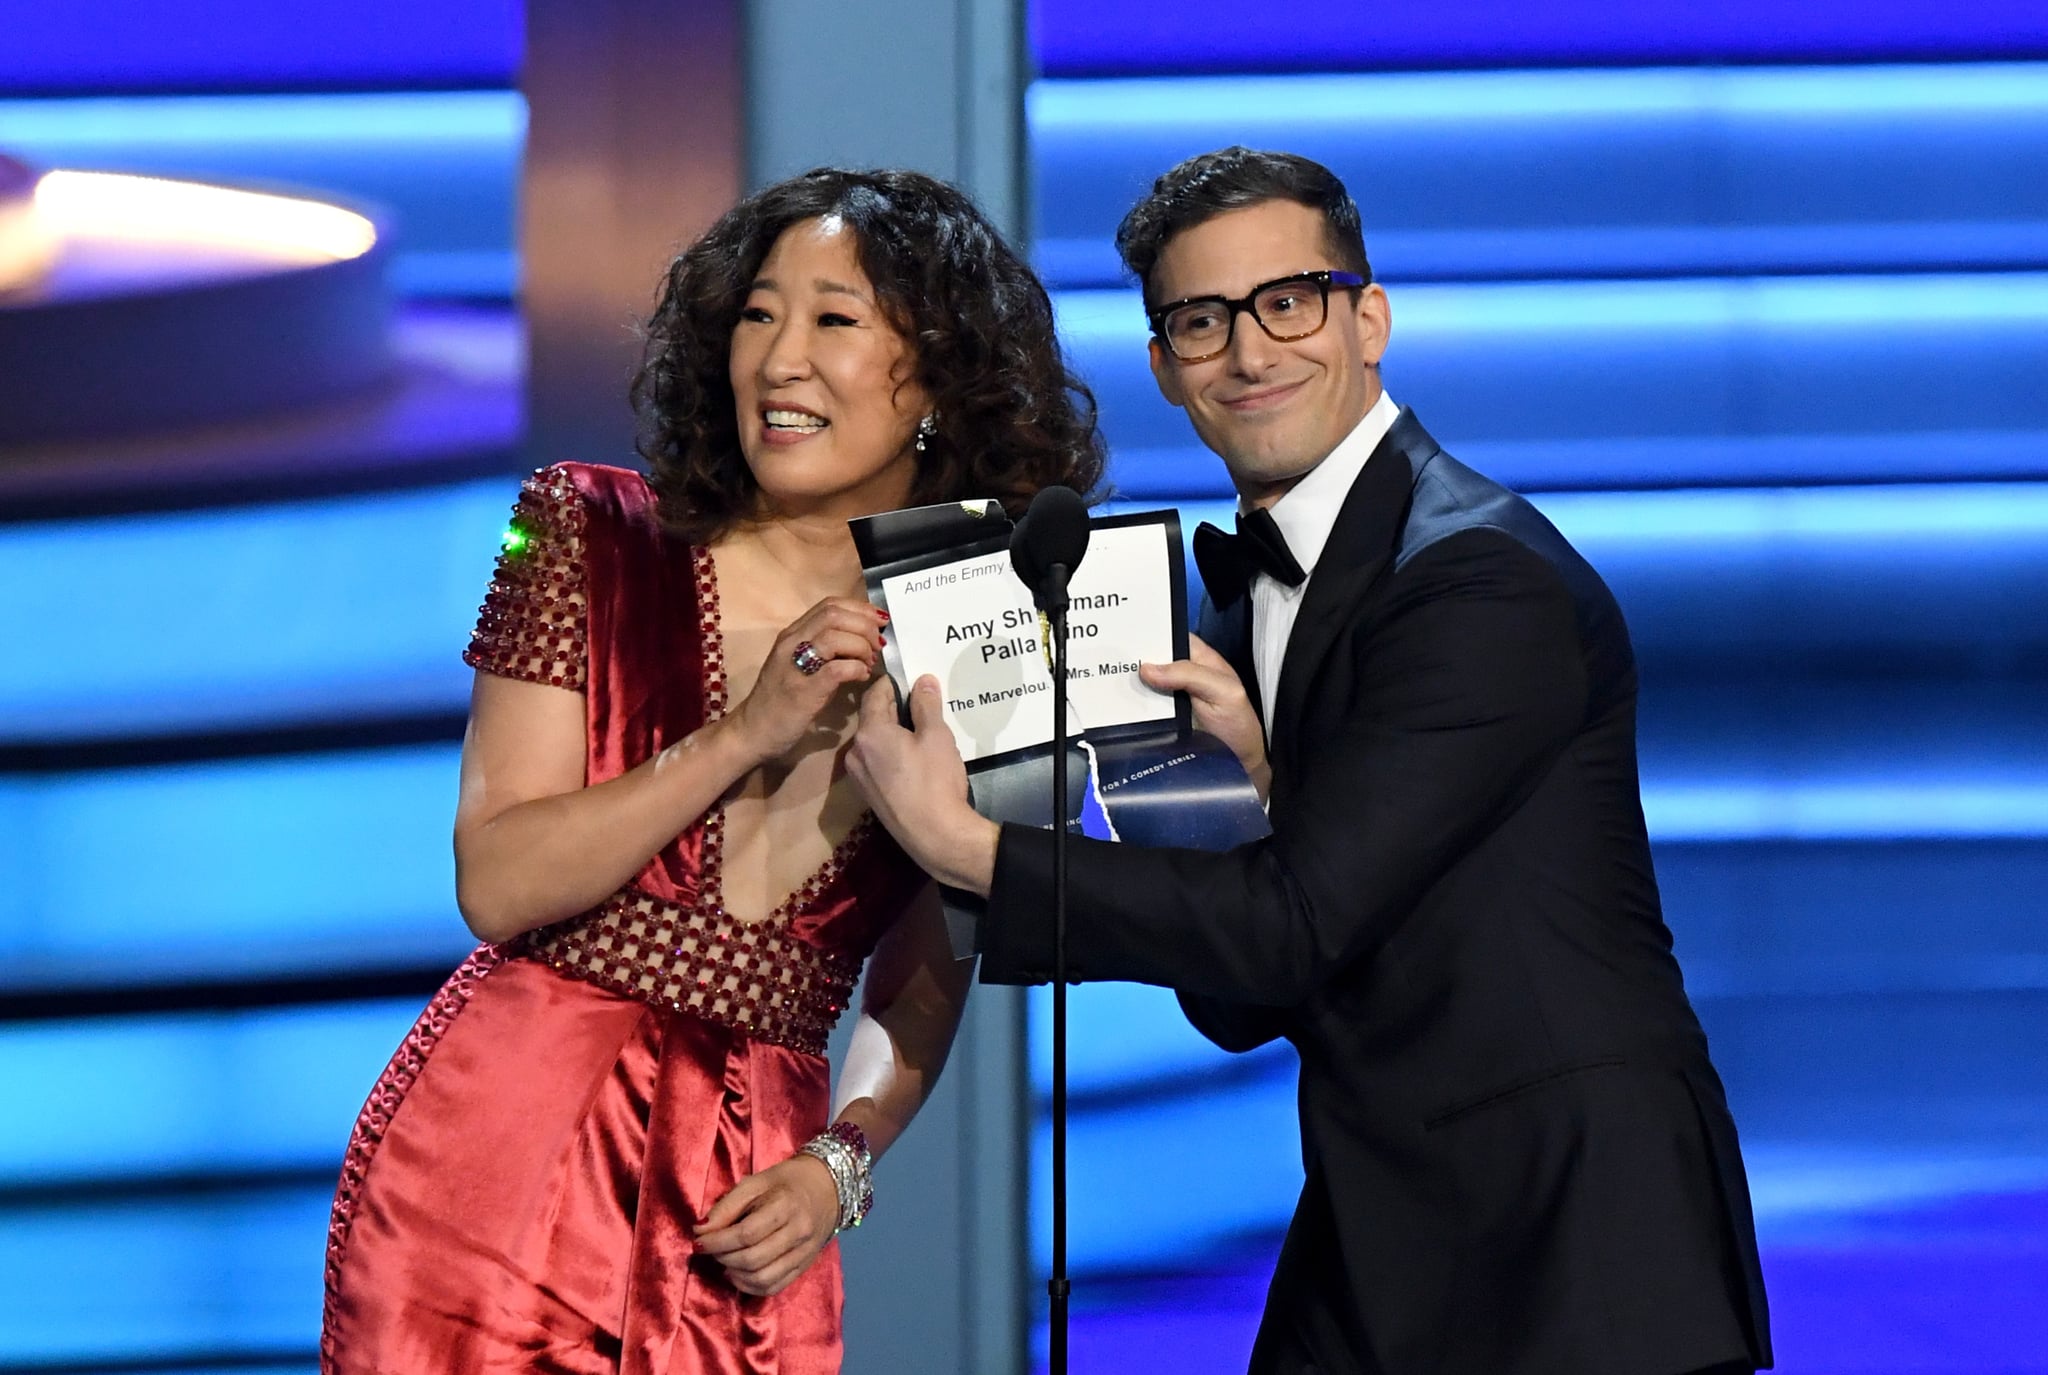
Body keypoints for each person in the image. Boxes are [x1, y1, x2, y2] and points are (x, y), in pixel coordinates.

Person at [848, 147, 1771, 1375]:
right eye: (1199, 320)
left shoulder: (1479, 581)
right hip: (1380, 1221)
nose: (1247, 351)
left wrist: (965, 845)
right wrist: (1229, 802)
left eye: (1286, 301)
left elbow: (1289, 925)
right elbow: (1244, 998)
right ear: (1163, 366)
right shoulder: (1232, 614)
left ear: (1367, 317)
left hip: (1571, 1245)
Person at [319, 167, 1104, 1374]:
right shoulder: (588, 530)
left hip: (743, 1220)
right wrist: (745, 733)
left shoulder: (992, 629)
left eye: (834, 320)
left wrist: (838, 1162)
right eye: (756, 313)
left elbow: (919, 986)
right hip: (494, 1181)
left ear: (943, 379)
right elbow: (497, 879)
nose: (779, 359)